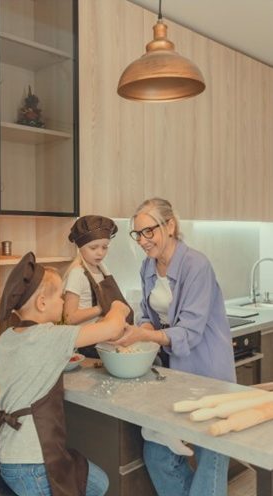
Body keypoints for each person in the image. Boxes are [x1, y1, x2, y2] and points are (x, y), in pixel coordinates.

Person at [113, 198, 236, 496]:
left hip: (208, 371)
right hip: (175, 374)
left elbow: (190, 332)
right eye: (137, 234)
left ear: (170, 226)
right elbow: (148, 316)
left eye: (148, 232)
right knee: (158, 455)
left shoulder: (197, 265)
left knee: (211, 455)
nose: (142, 241)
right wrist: (137, 330)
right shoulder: (147, 267)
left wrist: (144, 337)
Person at [0, 252, 129, 496]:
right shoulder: (53, 336)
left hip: (9, 457)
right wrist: (118, 305)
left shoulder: (4, 340)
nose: (65, 302)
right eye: (61, 296)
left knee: (98, 482)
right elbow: (113, 328)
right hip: (35, 465)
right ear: (42, 303)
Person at [63, 215, 133, 357]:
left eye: (105, 247)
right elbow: (69, 318)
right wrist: (102, 307)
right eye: (93, 247)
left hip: (102, 338)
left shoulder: (100, 270)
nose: (100, 252)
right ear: (81, 247)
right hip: (87, 344)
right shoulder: (77, 274)